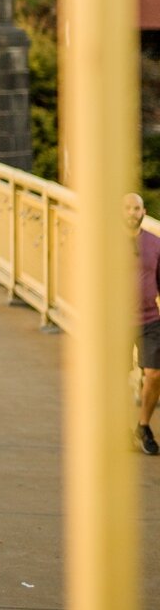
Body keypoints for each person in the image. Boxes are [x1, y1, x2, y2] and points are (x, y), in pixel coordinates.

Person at [130, 193, 160, 455]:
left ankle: (143, 426)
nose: (131, 212)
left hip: (150, 318)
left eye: (136, 208)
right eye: (127, 208)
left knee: (155, 374)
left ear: (144, 212)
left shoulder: (155, 243)